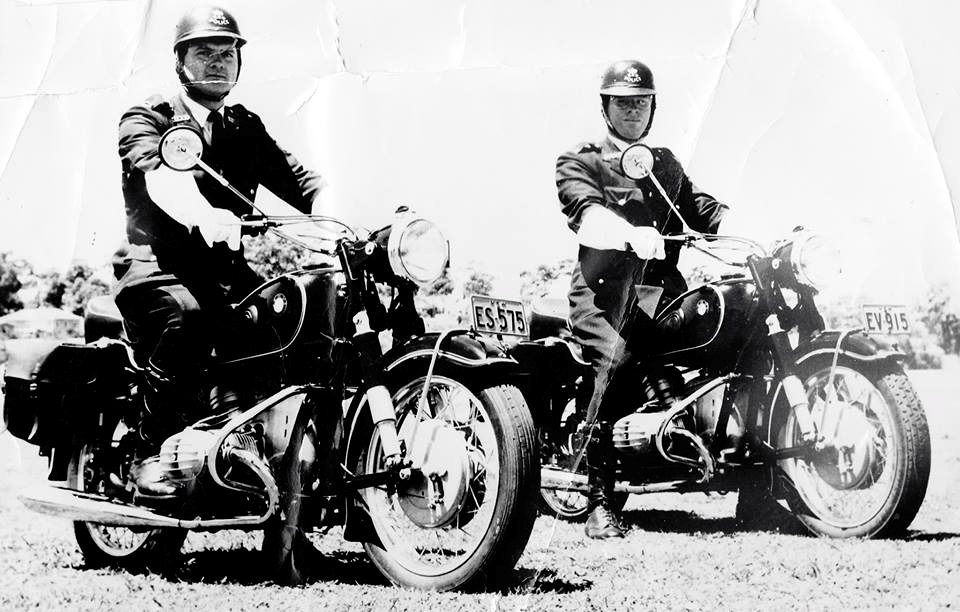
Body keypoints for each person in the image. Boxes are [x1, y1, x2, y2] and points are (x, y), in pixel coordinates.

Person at [115, 5, 325, 496]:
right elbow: (161, 176)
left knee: (292, 319)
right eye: (203, 51)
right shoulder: (149, 116)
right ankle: (145, 446)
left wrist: (345, 215)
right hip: (157, 265)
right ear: (179, 61)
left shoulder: (242, 127)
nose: (217, 62)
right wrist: (204, 215)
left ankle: (268, 454)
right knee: (186, 317)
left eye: (227, 52)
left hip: (225, 269)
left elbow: (303, 183)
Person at [555, 60, 727, 538]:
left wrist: (749, 225)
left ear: (653, 108)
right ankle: (599, 498)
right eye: (623, 102)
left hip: (663, 297)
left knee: (732, 330)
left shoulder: (664, 163)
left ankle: (758, 480)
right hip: (605, 298)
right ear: (606, 107)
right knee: (617, 359)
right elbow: (586, 214)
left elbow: (698, 210)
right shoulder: (581, 160)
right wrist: (628, 234)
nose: (633, 110)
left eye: (641, 102)